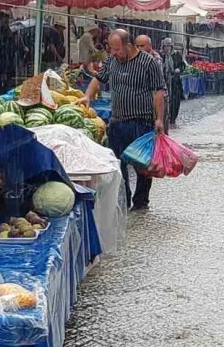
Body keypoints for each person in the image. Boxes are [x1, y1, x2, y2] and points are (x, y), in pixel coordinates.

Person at [80, 29, 166, 211]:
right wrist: (87, 95)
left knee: (142, 165)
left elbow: (158, 91)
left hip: (141, 122)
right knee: (118, 163)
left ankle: (141, 202)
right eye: (111, 48)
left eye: (117, 49)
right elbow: (98, 78)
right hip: (118, 120)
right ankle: (124, 199)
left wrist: (159, 119)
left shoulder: (148, 62)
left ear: (128, 45)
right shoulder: (112, 60)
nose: (113, 53)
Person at [162, 38, 186, 128]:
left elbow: (182, 65)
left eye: (169, 46)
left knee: (175, 101)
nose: (167, 48)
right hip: (165, 82)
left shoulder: (176, 55)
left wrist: (178, 69)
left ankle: (172, 120)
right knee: (165, 101)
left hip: (175, 82)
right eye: (166, 46)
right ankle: (166, 120)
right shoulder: (161, 56)